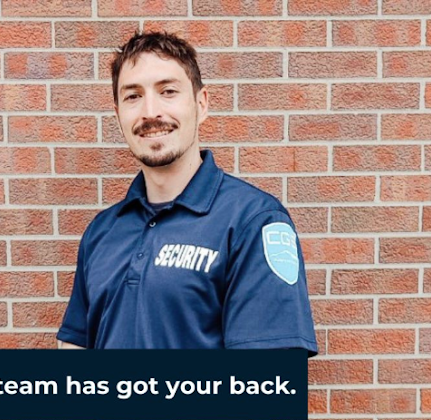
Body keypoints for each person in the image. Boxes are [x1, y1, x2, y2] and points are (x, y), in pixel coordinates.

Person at [57, 31, 317, 355]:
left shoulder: (253, 222)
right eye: (133, 96)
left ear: (201, 104)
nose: (150, 112)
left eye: (167, 91)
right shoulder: (102, 232)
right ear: (118, 112)